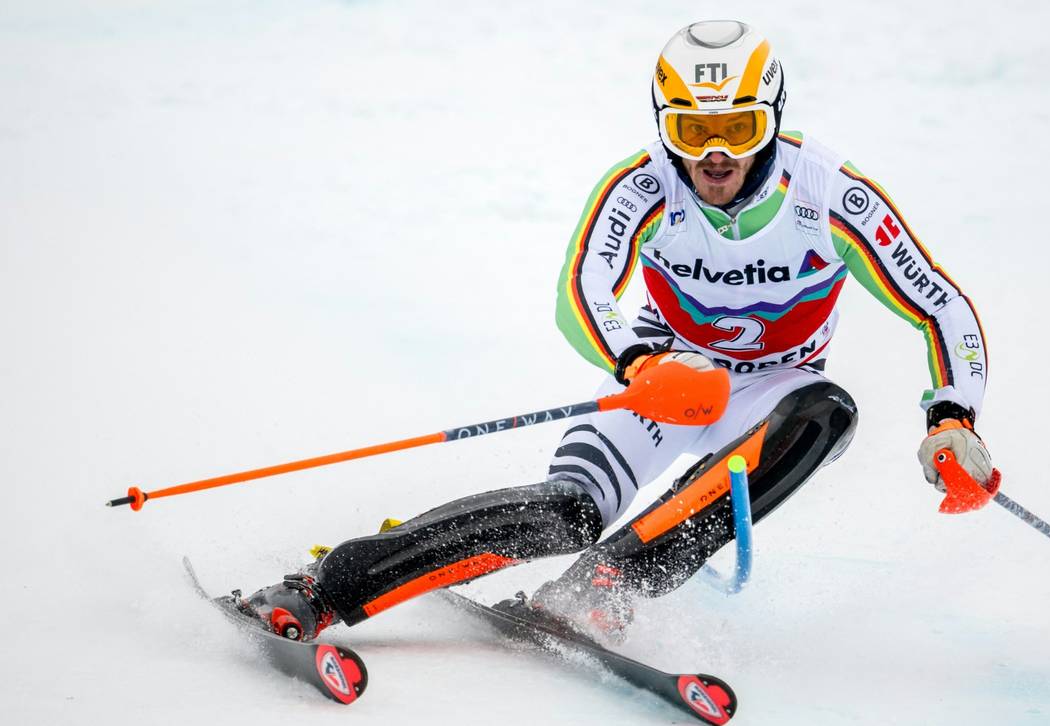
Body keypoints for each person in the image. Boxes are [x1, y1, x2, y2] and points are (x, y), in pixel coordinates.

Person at [233, 19, 993, 644]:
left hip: (774, 390)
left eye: (737, 127)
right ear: (666, 123)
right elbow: (581, 290)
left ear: (772, 120)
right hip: (666, 382)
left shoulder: (831, 196)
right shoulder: (644, 185)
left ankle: (603, 587)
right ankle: (322, 587)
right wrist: (638, 364)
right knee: (568, 511)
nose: (715, 153)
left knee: (831, 413)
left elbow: (940, 305)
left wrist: (953, 419)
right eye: (693, 129)